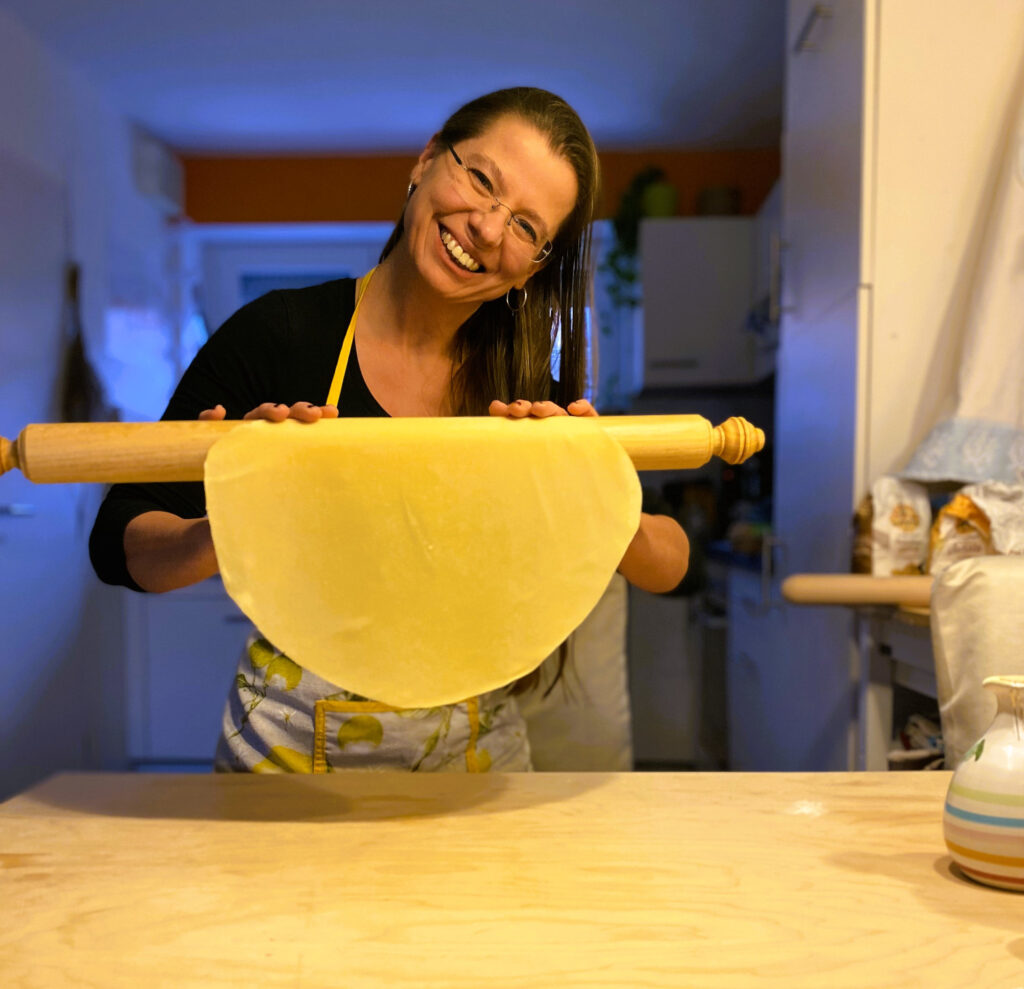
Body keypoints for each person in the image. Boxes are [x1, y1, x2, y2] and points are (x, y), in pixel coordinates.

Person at [90, 87, 689, 773]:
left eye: (527, 227)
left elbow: (671, 561)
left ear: (534, 269)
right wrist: (231, 521)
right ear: (427, 160)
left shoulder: (528, 396)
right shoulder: (277, 337)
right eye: (481, 179)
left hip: (473, 775)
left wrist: (592, 491)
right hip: (283, 777)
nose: (489, 229)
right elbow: (117, 539)